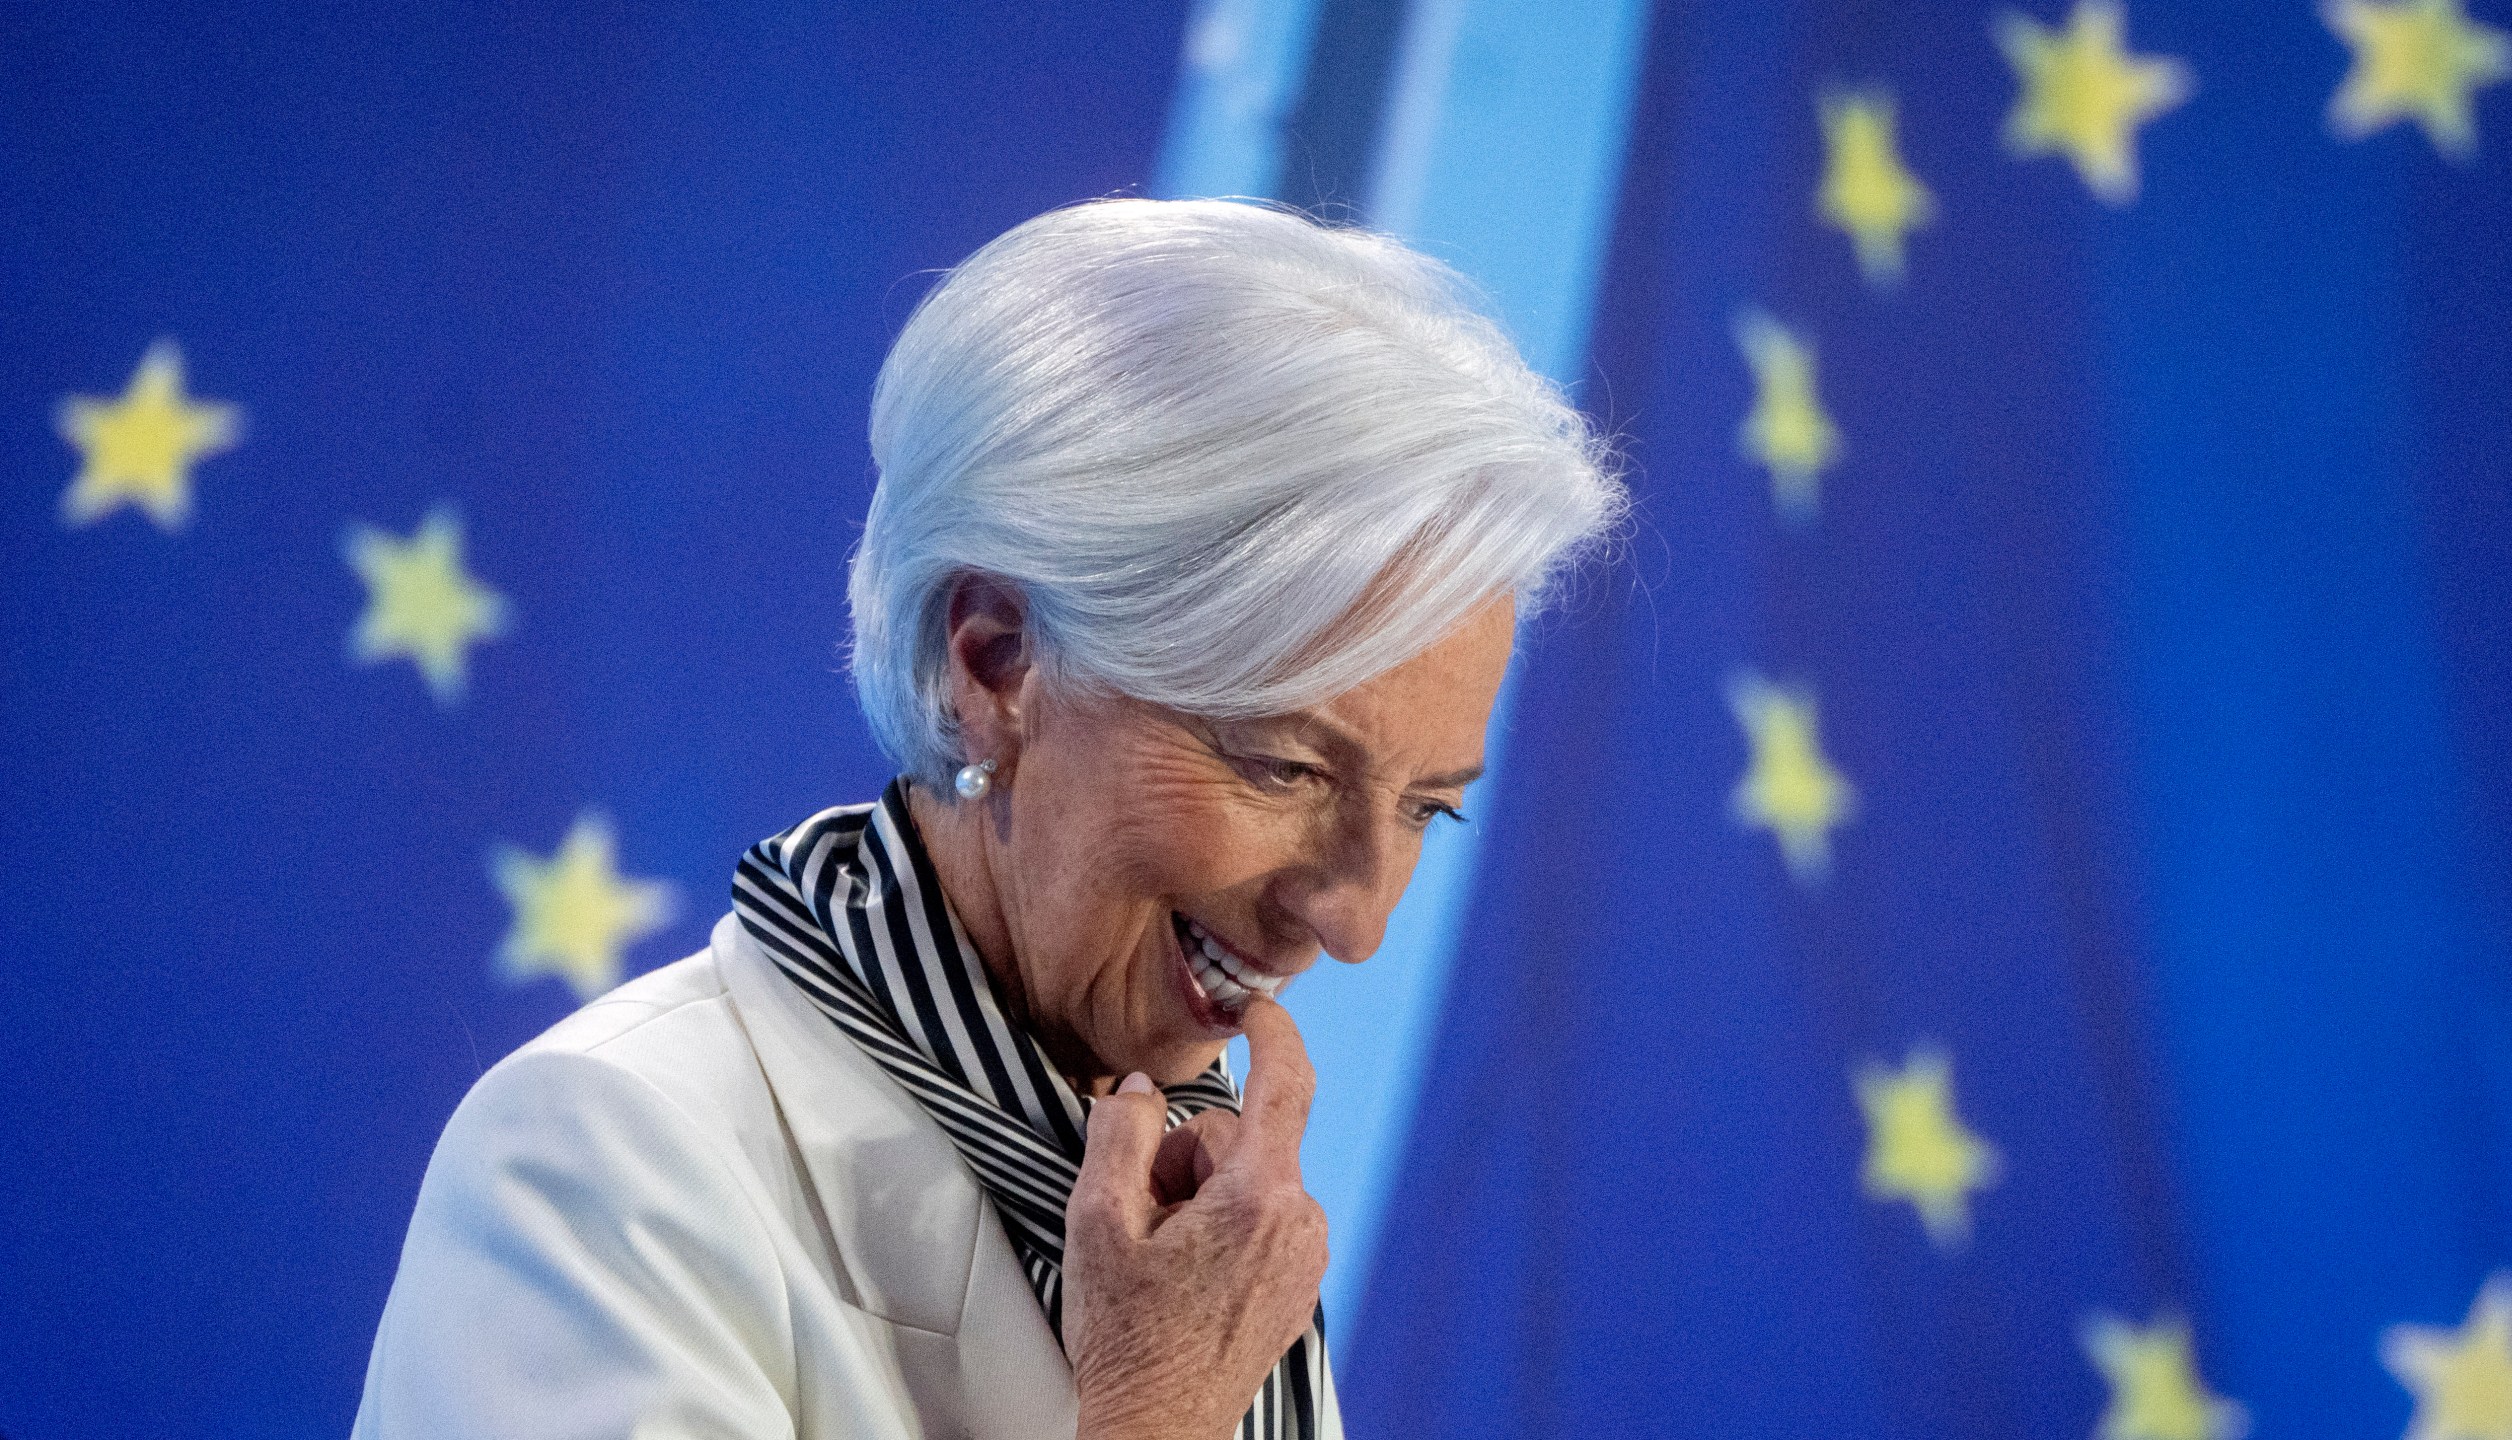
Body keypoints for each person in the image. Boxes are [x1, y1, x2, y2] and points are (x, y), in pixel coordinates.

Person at [351, 197, 1622, 1440]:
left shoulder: (1199, 1215)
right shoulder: (606, 1154)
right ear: (997, 663)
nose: (1351, 921)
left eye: (1425, 811)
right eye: (1282, 769)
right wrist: (1159, 1415)